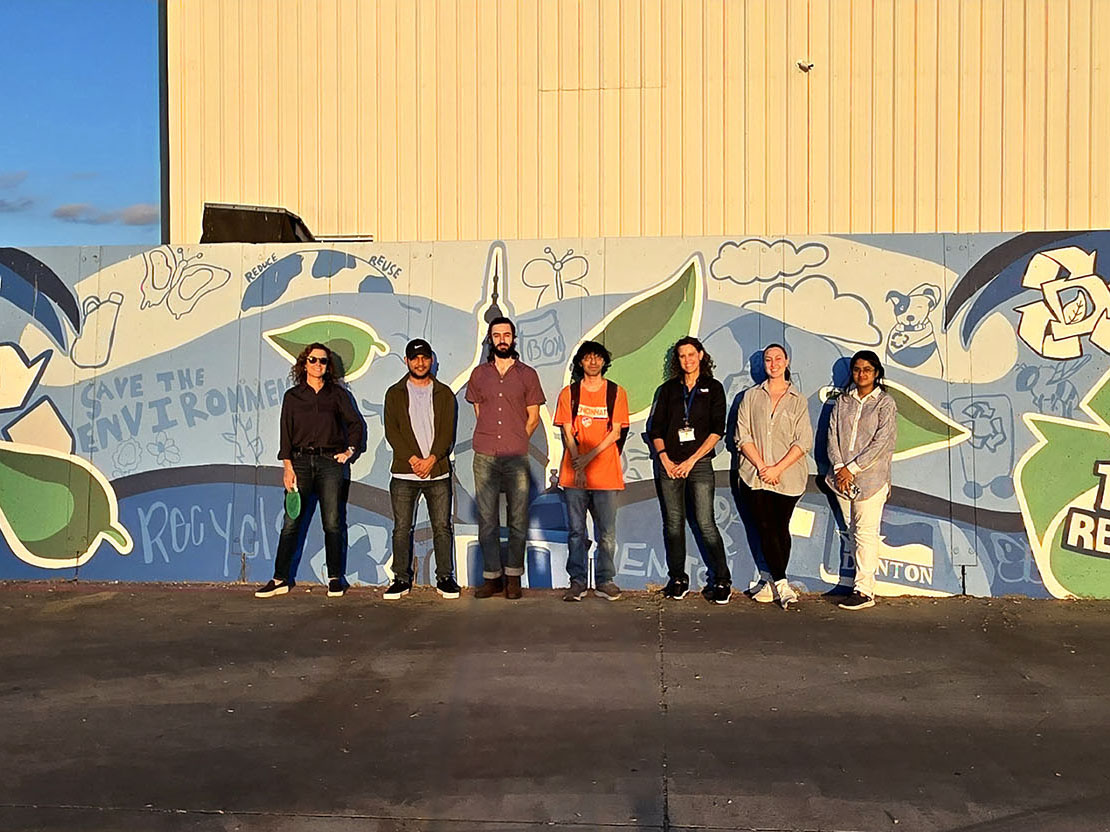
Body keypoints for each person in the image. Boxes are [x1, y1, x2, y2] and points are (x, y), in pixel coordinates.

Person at [255, 342, 363, 599]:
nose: (318, 365)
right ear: (304, 363)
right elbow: (286, 435)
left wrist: (348, 452)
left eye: (323, 361)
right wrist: (287, 467)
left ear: (328, 367)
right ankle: (280, 578)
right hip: (300, 464)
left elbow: (356, 424)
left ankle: (335, 578)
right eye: (313, 360)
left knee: (333, 523)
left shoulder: (337, 395)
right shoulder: (292, 397)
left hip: (329, 465)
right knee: (291, 523)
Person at [465, 317, 545, 599]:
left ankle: (513, 577)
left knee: (517, 518)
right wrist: (493, 436)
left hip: (516, 456)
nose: (502, 339)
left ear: (513, 338)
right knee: (486, 519)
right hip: (485, 455)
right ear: (490, 339)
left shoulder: (528, 375)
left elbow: (533, 417)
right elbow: (478, 409)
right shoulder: (479, 375)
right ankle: (492, 577)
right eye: (496, 335)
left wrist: (515, 437)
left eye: (506, 334)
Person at [647, 336, 732, 603]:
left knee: (706, 523)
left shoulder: (714, 388)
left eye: (691, 355)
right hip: (669, 465)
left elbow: (718, 430)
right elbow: (657, 429)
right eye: (682, 356)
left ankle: (721, 579)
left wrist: (692, 460)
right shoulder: (669, 389)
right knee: (673, 524)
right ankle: (678, 578)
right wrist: (665, 459)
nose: (687, 360)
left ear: (701, 355)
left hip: (700, 464)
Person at [735, 343, 814, 610]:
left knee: (780, 528)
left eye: (778, 358)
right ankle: (782, 584)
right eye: (768, 359)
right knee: (765, 526)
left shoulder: (798, 400)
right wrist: (761, 466)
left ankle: (770, 580)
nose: (773, 363)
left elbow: (803, 441)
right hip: (754, 475)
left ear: (787, 361)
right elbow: (742, 435)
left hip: (787, 477)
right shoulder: (750, 397)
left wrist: (777, 469)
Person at [381, 338, 460, 600]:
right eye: (414, 358)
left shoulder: (445, 393)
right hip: (404, 473)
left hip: (437, 472)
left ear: (432, 360)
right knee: (402, 528)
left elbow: (447, 432)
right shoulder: (394, 393)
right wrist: (414, 459)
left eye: (425, 357)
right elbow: (392, 432)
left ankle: (445, 578)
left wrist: (431, 459)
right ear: (406, 361)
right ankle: (401, 579)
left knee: (442, 527)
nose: (420, 362)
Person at [553, 341, 631, 602]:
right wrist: (578, 462)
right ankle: (577, 582)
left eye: (598, 357)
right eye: (588, 358)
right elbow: (567, 430)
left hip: (605, 474)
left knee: (607, 532)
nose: (593, 362)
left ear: (604, 362)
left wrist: (588, 458)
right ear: (580, 362)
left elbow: (616, 433)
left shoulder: (616, 393)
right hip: (574, 475)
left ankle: (605, 580)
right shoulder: (569, 394)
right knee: (576, 532)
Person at [826, 350, 898, 611]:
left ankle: (865, 590)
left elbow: (882, 442)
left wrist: (853, 468)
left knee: (866, 533)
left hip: (871, 479)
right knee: (852, 531)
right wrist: (839, 468)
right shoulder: (842, 402)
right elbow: (832, 436)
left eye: (867, 369)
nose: (862, 374)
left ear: (876, 373)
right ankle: (854, 583)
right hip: (841, 479)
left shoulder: (885, 403)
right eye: (857, 369)